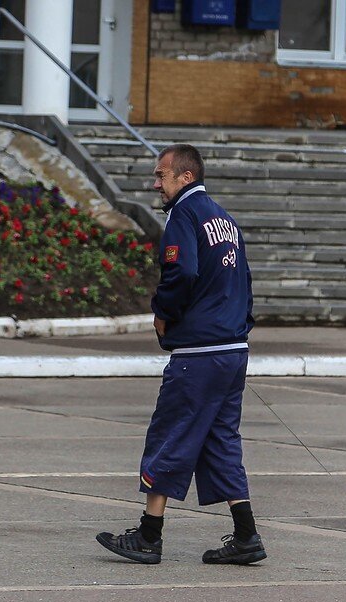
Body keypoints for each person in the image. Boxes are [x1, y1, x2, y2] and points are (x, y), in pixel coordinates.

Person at [96, 143, 265, 566]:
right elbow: (244, 278)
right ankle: (246, 536)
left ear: (184, 177)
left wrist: (162, 313)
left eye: (161, 176)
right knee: (219, 441)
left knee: (171, 434)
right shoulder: (224, 218)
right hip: (231, 349)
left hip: (200, 352)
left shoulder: (183, 216)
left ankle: (149, 536)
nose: (156, 184)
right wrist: (239, 329)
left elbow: (181, 272)